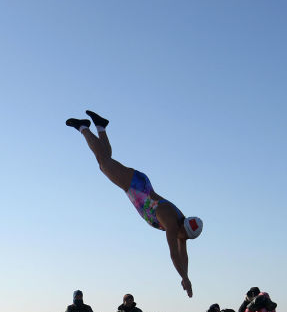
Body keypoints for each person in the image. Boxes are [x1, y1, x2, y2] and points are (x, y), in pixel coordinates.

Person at [66, 111, 202, 297]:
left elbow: (183, 255)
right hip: (136, 185)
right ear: (183, 228)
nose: (182, 239)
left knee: (104, 161)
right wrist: (183, 277)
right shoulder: (171, 221)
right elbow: (174, 254)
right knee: (104, 163)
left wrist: (187, 277)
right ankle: (83, 128)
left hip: (136, 187)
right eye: (184, 236)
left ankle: (100, 127)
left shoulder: (181, 229)